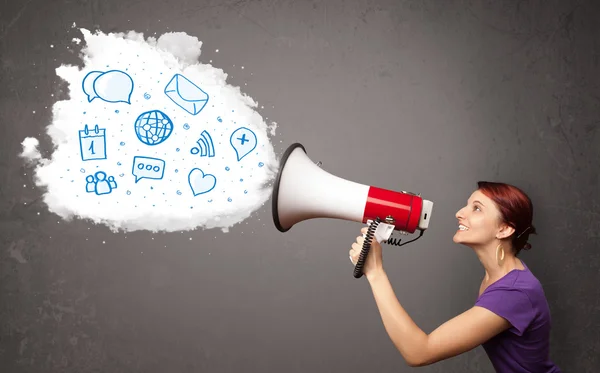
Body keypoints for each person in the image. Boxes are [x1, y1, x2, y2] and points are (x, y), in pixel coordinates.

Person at [349, 181, 562, 372]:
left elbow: (418, 352)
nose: (460, 213)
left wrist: (375, 273)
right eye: (467, 205)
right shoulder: (499, 276)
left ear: (504, 229)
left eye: (477, 208)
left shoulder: (514, 292)